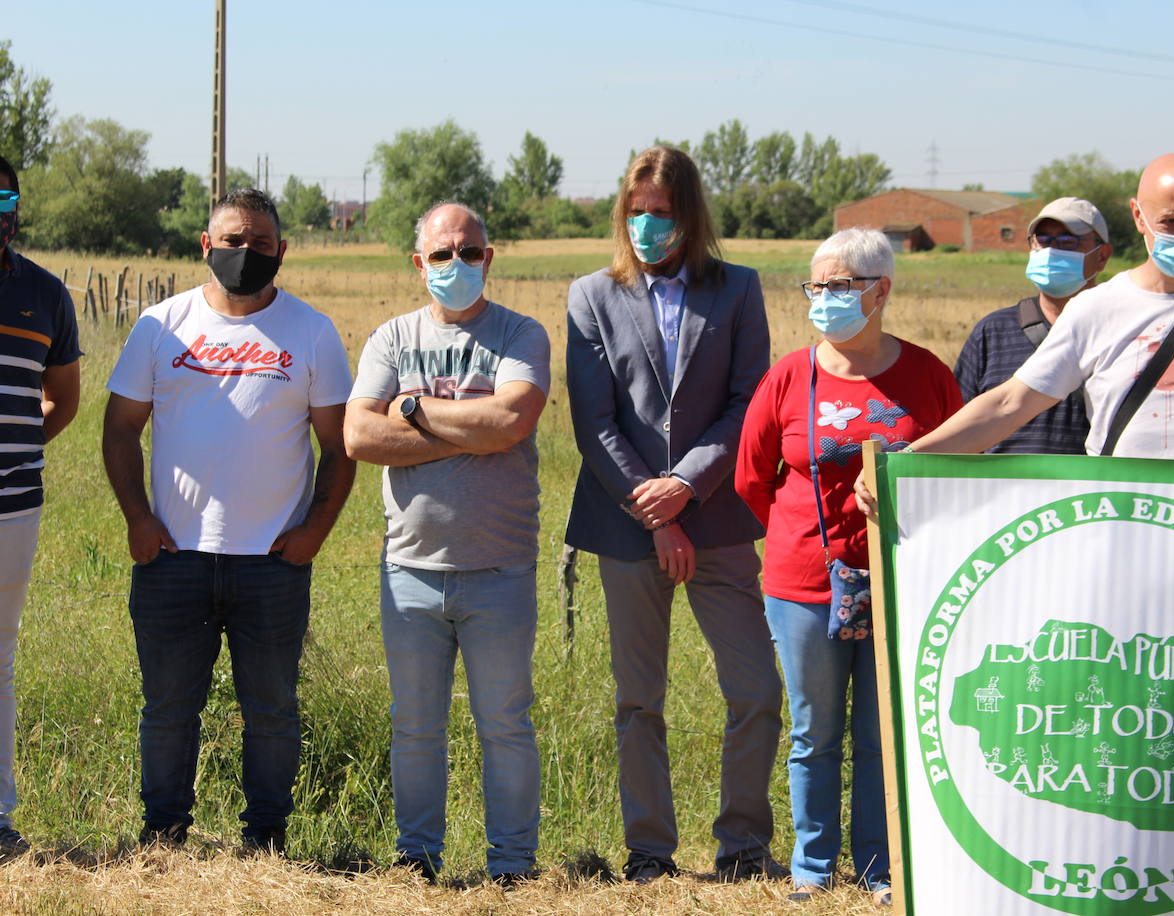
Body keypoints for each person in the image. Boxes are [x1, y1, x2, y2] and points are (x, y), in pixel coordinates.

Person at [102, 188, 356, 851]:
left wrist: (313, 534)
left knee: (271, 711)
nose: (248, 254)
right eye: (235, 242)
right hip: (172, 557)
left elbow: (340, 446)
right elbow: (121, 429)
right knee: (167, 709)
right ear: (206, 246)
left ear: (282, 252)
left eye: (263, 245)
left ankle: (265, 840)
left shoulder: (311, 332)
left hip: (272, 564)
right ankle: (163, 836)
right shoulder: (161, 325)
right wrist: (138, 518)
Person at [856, 153, 1174, 515]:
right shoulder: (1097, 308)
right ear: (1139, 216)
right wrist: (904, 462)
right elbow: (1008, 404)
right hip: (1115, 525)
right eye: (1172, 223)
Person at [564, 146, 783, 883]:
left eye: (662, 213)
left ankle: (745, 846)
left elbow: (748, 401)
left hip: (718, 518)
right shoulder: (590, 295)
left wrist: (686, 487)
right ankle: (650, 851)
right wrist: (653, 512)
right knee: (638, 700)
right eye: (636, 212)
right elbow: (594, 422)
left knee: (756, 689)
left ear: (690, 216)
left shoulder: (738, 290)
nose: (647, 226)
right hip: (627, 525)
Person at [735, 228, 962, 905]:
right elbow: (752, 477)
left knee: (880, 731)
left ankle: (878, 864)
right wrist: (798, 535)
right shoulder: (789, 377)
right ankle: (811, 864)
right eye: (818, 287)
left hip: (901, 583)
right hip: (804, 583)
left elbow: (959, 473)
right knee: (814, 731)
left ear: (881, 289)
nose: (825, 299)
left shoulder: (926, 376)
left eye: (840, 286)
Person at [343, 202, 548, 884]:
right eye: (441, 254)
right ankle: (417, 861)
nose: (455, 264)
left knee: (506, 727)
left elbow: (512, 421)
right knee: (416, 728)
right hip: (410, 570)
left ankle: (513, 867)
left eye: (469, 252)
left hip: (501, 569)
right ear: (418, 262)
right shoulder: (391, 339)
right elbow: (359, 438)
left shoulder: (522, 334)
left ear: (489, 259)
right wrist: (470, 427)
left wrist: (416, 411)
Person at [0, 154, 81, 851]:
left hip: (12, 504)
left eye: (2, 196)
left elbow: (63, 400)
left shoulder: (45, 294)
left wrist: (20, 446)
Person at [953, 197, 1111, 454]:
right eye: (1043, 240)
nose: (1051, 251)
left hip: (1089, 493)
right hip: (1004, 492)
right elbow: (958, 423)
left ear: (1102, 256)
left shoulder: (1123, 330)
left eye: (1068, 241)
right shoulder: (992, 332)